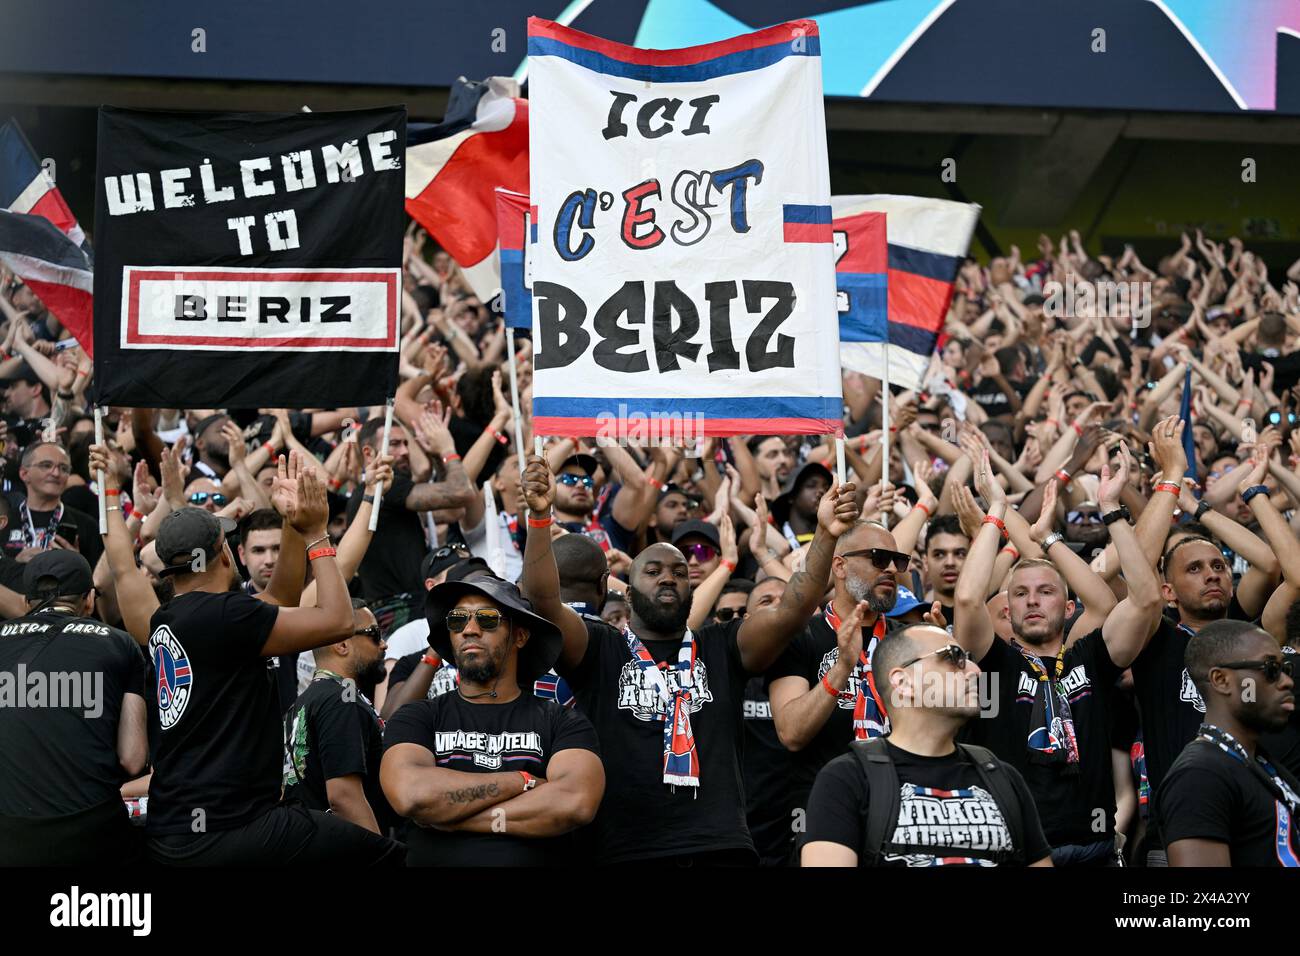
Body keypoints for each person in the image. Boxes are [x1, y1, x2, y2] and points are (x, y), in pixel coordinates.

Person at [519, 453, 860, 865]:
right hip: (625, 848)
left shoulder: (723, 645)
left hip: (721, 846)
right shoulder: (600, 648)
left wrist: (825, 533)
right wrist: (539, 520)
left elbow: (793, 609)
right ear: (626, 593)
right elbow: (543, 603)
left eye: (679, 573)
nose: (668, 577)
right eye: (653, 571)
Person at [92, 446, 404, 865]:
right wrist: (315, 535)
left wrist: (110, 488)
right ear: (223, 553)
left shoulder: (158, 619)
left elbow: (122, 564)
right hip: (239, 828)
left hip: (172, 834)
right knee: (388, 859)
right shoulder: (229, 614)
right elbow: (337, 620)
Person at [953, 446, 1164, 865]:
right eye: (1020, 594)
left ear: (1069, 609)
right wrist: (995, 512)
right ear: (1007, 612)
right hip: (1016, 851)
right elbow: (965, 598)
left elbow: (1145, 598)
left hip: (1096, 848)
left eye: (1046, 592)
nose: (1033, 601)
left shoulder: (1090, 659)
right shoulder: (992, 660)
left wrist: (1109, 510)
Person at [380, 575, 605, 866]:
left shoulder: (562, 721)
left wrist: (460, 819)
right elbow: (412, 795)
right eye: (458, 619)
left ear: (520, 636)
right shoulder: (418, 717)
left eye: (487, 619)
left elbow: (575, 803)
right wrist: (521, 781)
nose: (470, 629)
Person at [801, 623, 1052, 867]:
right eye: (954, 657)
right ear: (903, 682)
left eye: (970, 658)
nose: (976, 670)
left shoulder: (1003, 778)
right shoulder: (847, 779)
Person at [766, 518, 914, 860]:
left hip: (902, 807)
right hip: (825, 810)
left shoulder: (908, 642)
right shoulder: (801, 636)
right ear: (840, 565)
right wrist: (842, 669)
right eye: (879, 558)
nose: (892, 568)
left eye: (898, 560)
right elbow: (791, 732)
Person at [0, 551, 148, 864]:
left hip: (10, 835)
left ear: (27, 602)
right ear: (89, 600)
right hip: (93, 834)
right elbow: (133, 759)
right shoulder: (120, 643)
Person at [1158, 620, 1299, 866]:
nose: (1287, 681)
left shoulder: (1260, 762)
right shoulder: (1199, 776)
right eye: (1270, 669)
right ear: (1221, 680)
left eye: (1286, 669)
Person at [349, 414, 475, 636]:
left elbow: (454, 511)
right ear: (368, 453)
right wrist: (447, 449)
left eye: (406, 443)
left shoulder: (390, 494)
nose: (405, 451)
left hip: (404, 609)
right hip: (401, 612)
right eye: (395, 444)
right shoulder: (383, 489)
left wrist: (436, 457)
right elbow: (462, 493)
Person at [283, 599, 397, 835]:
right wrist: (384, 856)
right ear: (342, 644)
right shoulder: (341, 700)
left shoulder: (301, 704)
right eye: (374, 634)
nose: (384, 644)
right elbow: (343, 797)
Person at [7, 440, 100, 566]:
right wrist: (15, 564)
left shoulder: (86, 525)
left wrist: (78, 566)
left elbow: (101, 581)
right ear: (24, 474)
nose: (56, 473)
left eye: (63, 468)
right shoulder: (4, 523)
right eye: (46, 465)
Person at [921, 514, 969, 627]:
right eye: (939, 554)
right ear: (926, 562)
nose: (950, 563)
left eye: (960, 554)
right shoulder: (913, 616)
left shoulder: (989, 614)